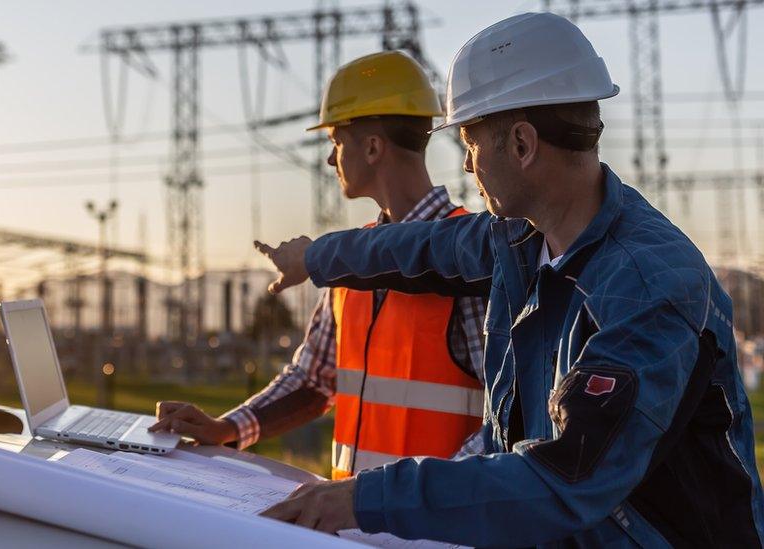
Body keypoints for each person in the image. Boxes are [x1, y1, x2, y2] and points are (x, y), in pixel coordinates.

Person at [257, 12, 764, 547]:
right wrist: (314, 259)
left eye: (472, 145)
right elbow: (415, 247)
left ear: (521, 144)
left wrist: (362, 498)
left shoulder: (647, 285)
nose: (469, 168)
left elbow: (565, 479)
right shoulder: (520, 240)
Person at [150, 51, 488, 480]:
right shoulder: (349, 262)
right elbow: (313, 379)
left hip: (435, 533)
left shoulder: (467, 263)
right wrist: (228, 428)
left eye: (335, 142)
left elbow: (505, 417)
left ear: (371, 147)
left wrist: (427, 504)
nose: (330, 161)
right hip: (352, 522)